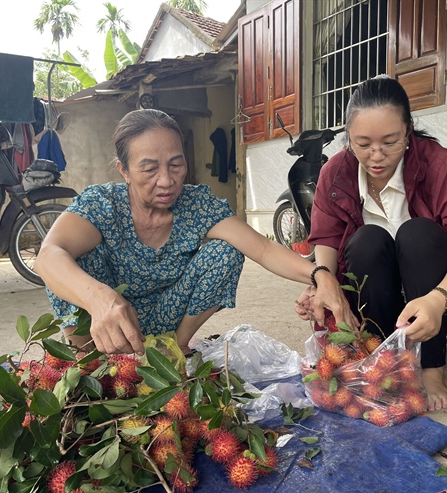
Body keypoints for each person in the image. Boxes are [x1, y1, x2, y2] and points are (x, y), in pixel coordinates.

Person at [34, 109, 357, 358]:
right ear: (123, 170)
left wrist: (319, 274)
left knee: (226, 250)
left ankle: (175, 348)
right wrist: (100, 299)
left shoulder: (197, 205)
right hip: (105, 322)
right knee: (70, 262)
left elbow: (262, 248)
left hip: (165, 317)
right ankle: (86, 360)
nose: (166, 180)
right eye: (149, 169)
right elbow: (47, 257)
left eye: (176, 165)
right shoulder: (102, 205)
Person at [294, 75, 447, 411]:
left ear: (408, 131)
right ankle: (383, 359)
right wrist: (322, 279)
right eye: (363, 144)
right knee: (366, 239)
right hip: (374, 296)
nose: (376, 156)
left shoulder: (440, 164)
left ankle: (431, 366)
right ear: (348, 137)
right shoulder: (336, 173)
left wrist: (439, 301)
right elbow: (327, 239)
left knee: (418, 233)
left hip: (436, 296)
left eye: (390, 142)